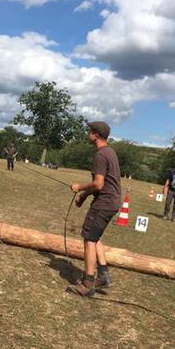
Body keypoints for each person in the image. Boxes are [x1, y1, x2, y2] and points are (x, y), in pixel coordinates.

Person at [68, 121, 122, 297]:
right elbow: (102, 184)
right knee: (95, 236)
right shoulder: (110, 152)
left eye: (89, 132)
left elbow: (98, 184)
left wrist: (79, 188)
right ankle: (104, 276)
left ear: (96, 135)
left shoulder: (100, 155)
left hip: (103, 203)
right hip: (112, 202)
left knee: (89, 240)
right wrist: (83, 196)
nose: (87, 134)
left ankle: (87, 283)